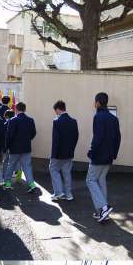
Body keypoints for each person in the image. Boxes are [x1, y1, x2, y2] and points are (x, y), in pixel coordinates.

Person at [86, 92, 121, 223]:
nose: (94, 104)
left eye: (95, 102)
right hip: (109, 157)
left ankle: (104, 207)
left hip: (98, 156)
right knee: (101, 180)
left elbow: (98, 137)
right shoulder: (113, 118)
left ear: (98, 103)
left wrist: (91, 152)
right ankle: (101, 212)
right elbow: (118, 138)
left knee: (90, 180)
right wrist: (114, 154)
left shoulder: (98, 117)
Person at [4, 102, 37, 193]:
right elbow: (33, 133)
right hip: (26, 147)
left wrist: (7, 146)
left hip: (14, 148)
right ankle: (31, 184)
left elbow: (9, 135)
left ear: (16, 109)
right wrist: (27, 140)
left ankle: (7, 183)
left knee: (11, 165)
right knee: (27, 166)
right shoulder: (30, 120)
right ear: (25, 109)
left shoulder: (13, 120)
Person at [49, 100, 79, 201]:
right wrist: (72, 149)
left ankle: (59, 192)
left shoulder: (56, 121)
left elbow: (55, 140)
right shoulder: (73, 121)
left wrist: (53, 155)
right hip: (69, 152)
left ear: (58, 109)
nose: (55, 113)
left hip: (58, 153)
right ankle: (68, 194)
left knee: (53, 169)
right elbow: (76, 137)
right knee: (67, 172)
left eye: (55, 111)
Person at [2, 109, 15, 182]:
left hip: (6, 145)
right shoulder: (16, 123)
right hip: (14, 145)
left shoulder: (5, 124)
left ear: (6, 116)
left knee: (6, 161)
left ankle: (4, 176)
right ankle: (14, 175)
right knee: (13, 162)